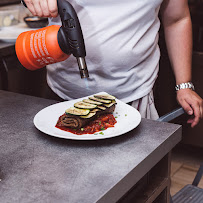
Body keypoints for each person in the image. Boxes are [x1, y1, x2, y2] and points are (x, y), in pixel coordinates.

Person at [23, 0, 203, 127]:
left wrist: (184, 84)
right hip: (61, 93)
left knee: (132, 177)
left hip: (134, 94)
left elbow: (177, 19)